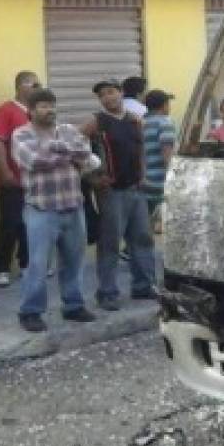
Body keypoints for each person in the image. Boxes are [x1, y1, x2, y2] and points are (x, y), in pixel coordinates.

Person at [11, 88, 100, 332]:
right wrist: (68, 153)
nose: (48, 110)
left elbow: (90, 160)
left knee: (74, 261)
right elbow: (33, 161)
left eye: (51, 105)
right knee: (38, 264)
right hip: (42, 209)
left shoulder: (68, 130)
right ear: (31, 110)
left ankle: (73, 306)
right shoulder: (21, 135)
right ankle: (30, 311)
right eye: (42, 106)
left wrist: (56, 149)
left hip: (73, 205)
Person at [81, 79, 157, 309]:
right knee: (110, 242)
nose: (108, 97)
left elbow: (141, 149)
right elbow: (75, 143)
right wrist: (92, 176)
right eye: (103, 95)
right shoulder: (97, 122)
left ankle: (144, 286)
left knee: (142, 239)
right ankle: (107, 293)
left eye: (111, 92)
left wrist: (143, 175)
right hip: (111, 192)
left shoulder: (135, 121)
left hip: (136, 189)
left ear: (121, 93)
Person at [0, 70, 39, 287]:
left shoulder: (37, 111)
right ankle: (0, 268)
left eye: (38, 84)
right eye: (32, 84)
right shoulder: (5, 111)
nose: (36, 88)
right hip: (13, 178)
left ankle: (27, 264)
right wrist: (6, 170)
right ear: (20, 86)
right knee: (10, 223)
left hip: (35, 178)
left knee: (31, 224)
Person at [141, 90, 177, 218]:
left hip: (143, 182)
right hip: (160, 183)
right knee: (162, 225)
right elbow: (167, 154)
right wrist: (174, 179)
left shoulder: (140, 123)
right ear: (164, 105)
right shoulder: (165, 123)